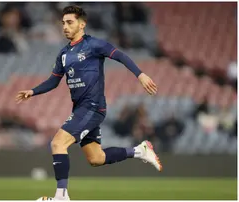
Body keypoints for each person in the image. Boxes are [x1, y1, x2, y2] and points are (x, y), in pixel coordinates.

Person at [15, 5, 161, 201]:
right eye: (63, 23)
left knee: (58, 143)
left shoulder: (94, 45)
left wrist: (140, 75)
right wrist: (32, 91)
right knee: (96, 158)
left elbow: (120, 55)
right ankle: (139, 150)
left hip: (92, 107)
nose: (65, 27)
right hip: (81, 109)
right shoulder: (64, 54)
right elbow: (53, 81)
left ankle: (61, 197)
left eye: (70, 22)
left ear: (82, 24)